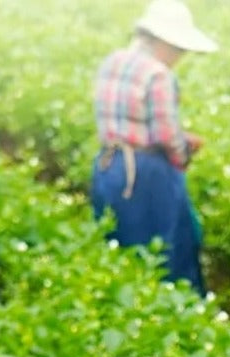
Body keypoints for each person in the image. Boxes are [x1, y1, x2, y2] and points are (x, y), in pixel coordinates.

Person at [91, 0, 216, 292]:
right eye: (180, 50)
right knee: (170, 250)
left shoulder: (113, 61)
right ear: (165, 43)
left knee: (120, 243)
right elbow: (166, 135)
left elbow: (121, 120)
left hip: (110, 165)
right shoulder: (158, 75)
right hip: (147, 174)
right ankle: (179, 315)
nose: (179, 57)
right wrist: (186, 149)